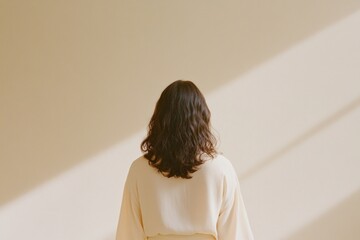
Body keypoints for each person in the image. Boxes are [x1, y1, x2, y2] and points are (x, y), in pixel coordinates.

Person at [116, 80, 254, 240]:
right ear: (202, 119)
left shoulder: (139, 170)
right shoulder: (221, 168)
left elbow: (128, 235)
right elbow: (236, 234)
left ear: (160, 119)